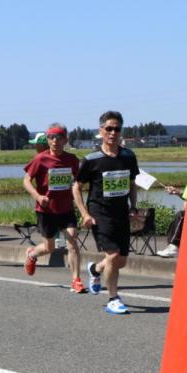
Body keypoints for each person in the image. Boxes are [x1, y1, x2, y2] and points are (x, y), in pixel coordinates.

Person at [74, 111, 139, 315]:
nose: (113, 132)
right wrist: (85, 213)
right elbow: (76, 187)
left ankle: (95, 270)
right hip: (99, 212)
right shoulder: (91, 159)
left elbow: (132, 183)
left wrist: (133, 206)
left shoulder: (128, 156)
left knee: (121, 261)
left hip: (121, 212)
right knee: (112, 255)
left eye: (117, 129)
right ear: (101, 130)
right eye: (109, 128)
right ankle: (113, 298)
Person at [22, 124, 85, 291]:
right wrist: (38, 196)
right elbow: (26, 181)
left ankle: (76, 280)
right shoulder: (40, 159)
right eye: (51, 137)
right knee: (50, 247)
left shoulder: (72, 160)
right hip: (46, 210)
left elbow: (78, 183)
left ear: (65, 140)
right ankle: (32, 254)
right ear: (48, 140)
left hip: (66, 208)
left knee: (72, 239)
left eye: (59, 137)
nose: (55, 141)